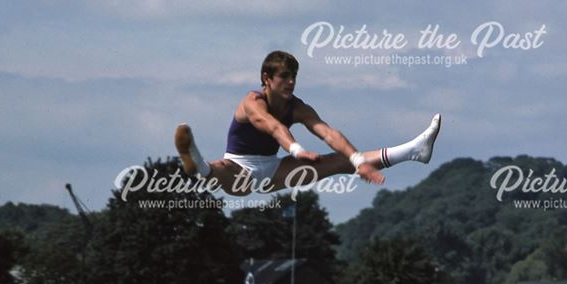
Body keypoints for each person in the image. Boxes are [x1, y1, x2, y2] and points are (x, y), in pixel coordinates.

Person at [174, 50, 442, 195]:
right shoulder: (252, 102)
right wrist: (297, 150)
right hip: (238, 168)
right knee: (220, 167)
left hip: (273, 170)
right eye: (285, 77)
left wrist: (359, 162)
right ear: (266, 78)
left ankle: (414, 152)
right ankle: (198, 165)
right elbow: (273, 127)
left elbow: (328, 133)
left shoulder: (298, 107)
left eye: (294, 76)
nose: (291, 82)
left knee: (341, 160)